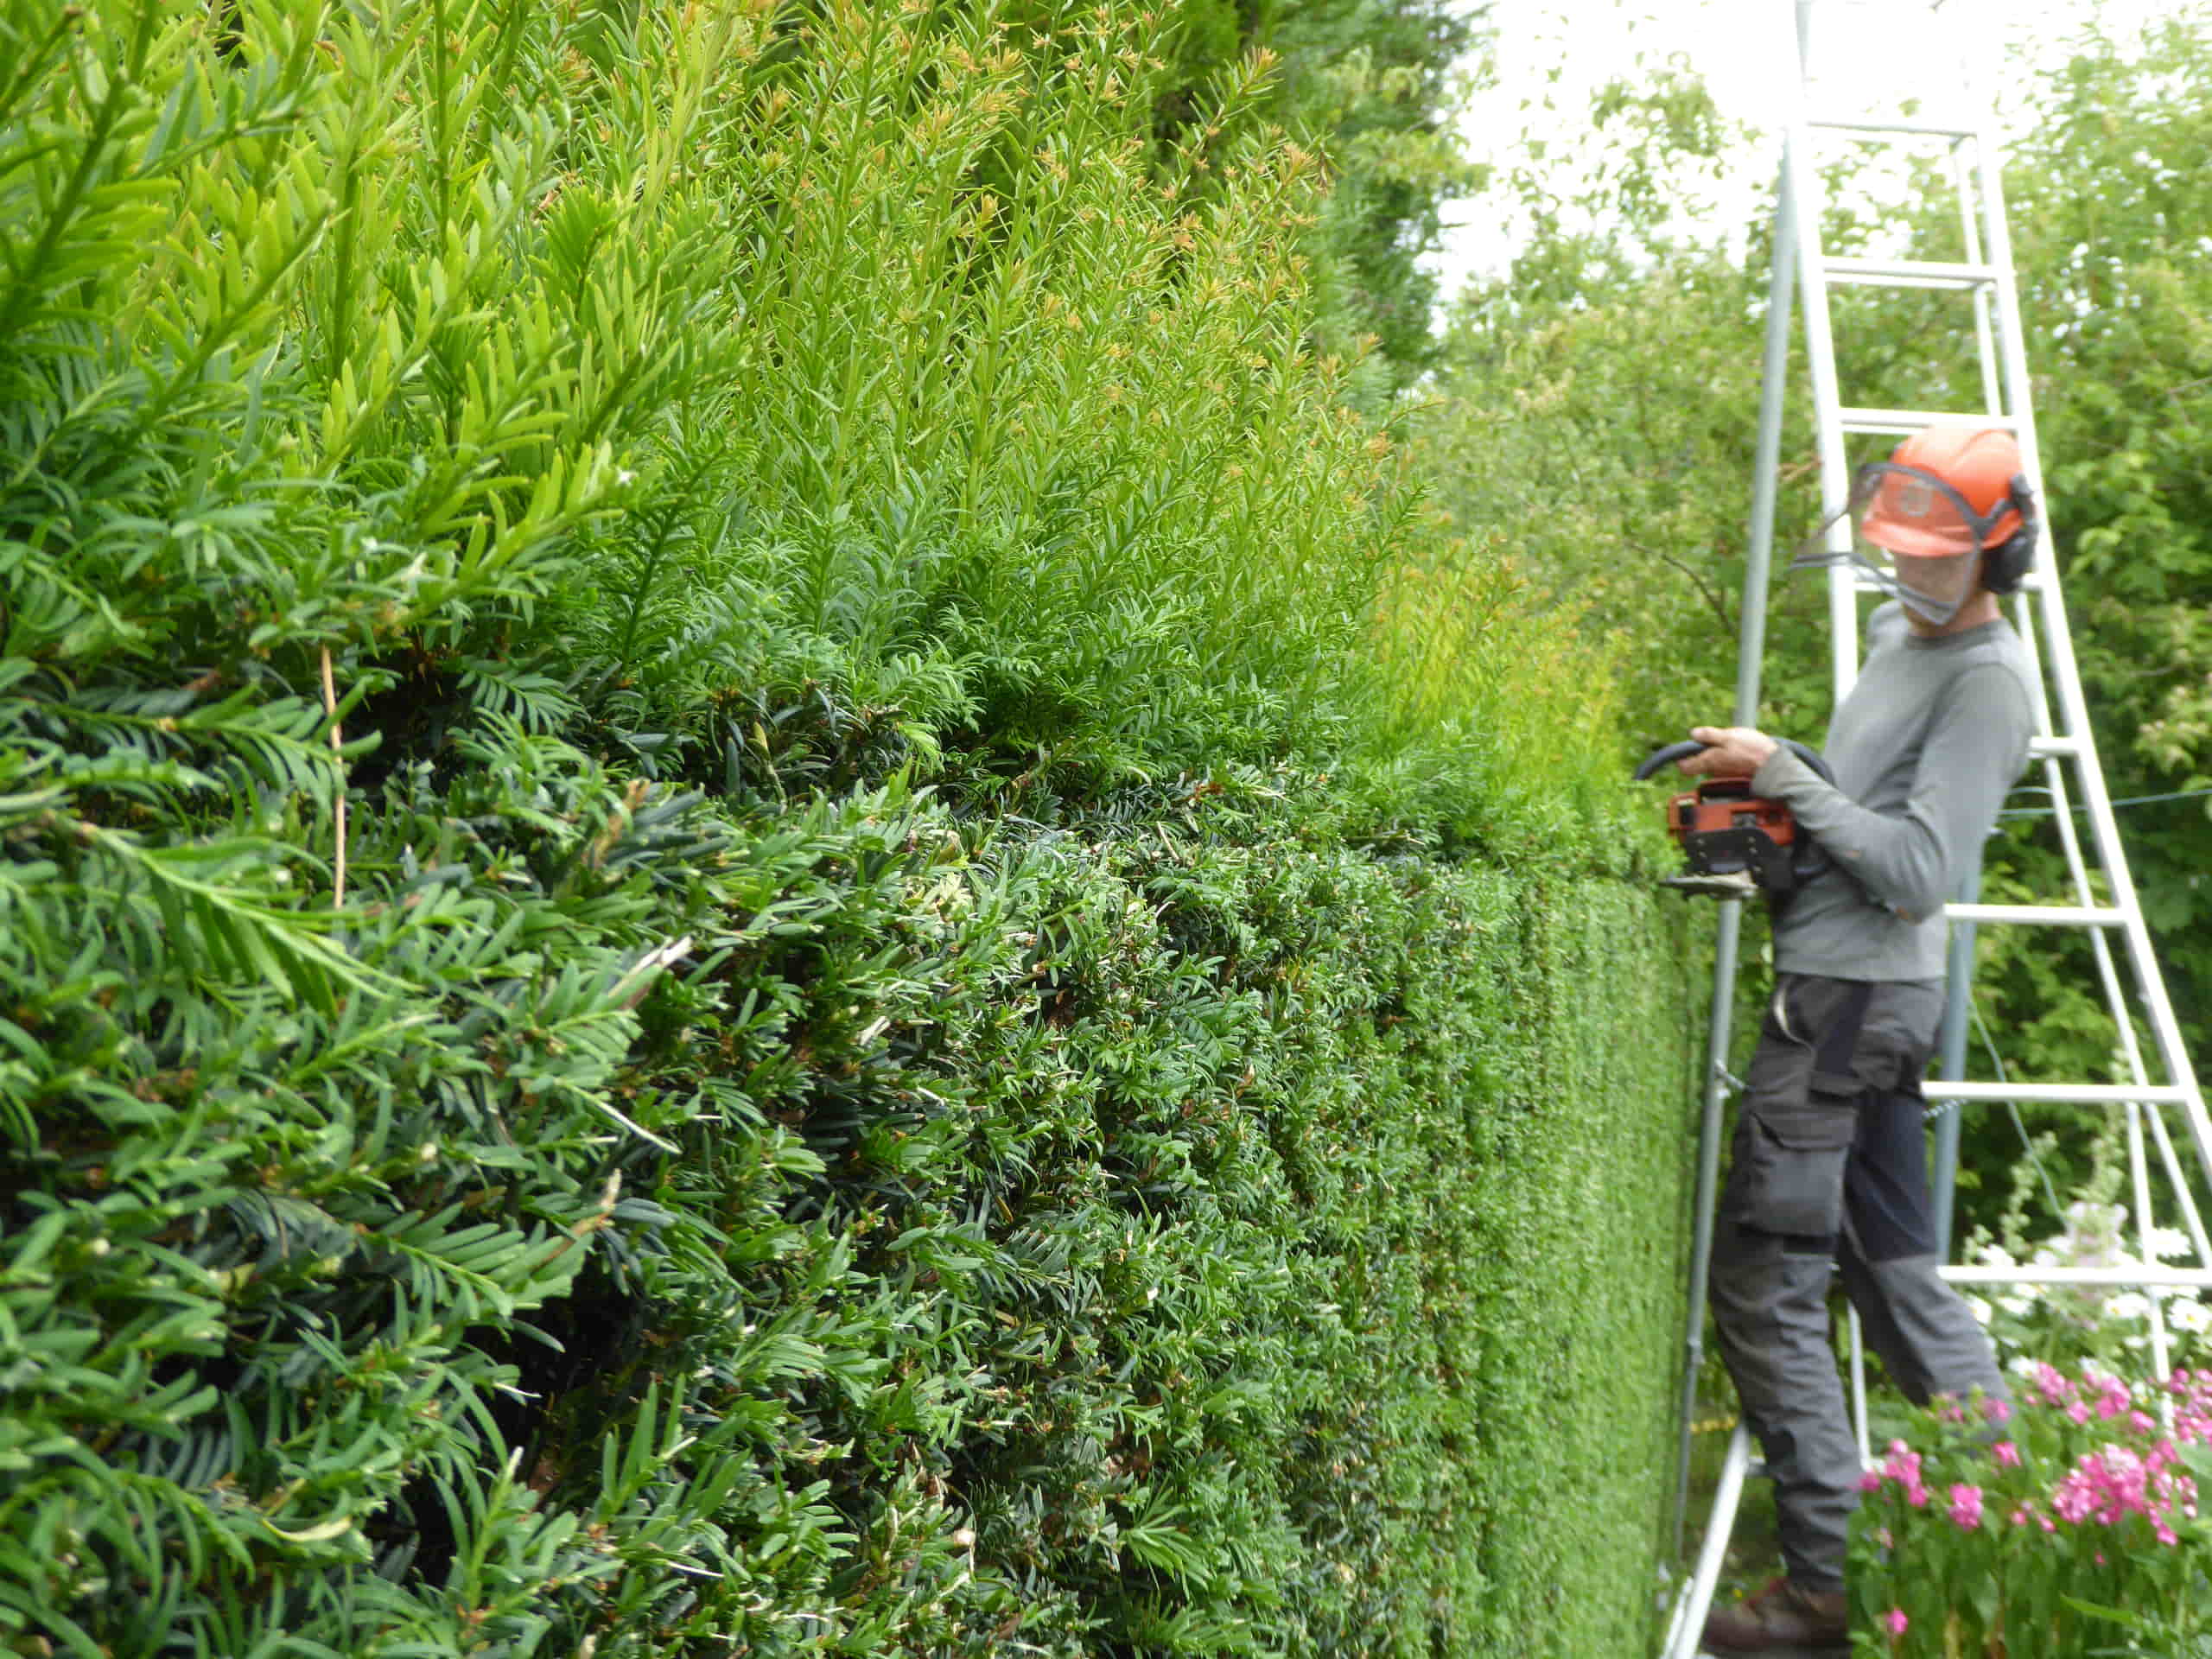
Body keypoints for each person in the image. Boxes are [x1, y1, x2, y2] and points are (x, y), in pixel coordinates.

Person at [1688, 425, 2043, 1652]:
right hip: (1853, 989)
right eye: (1896, 551)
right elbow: (1858, 826)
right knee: (1895, 1278)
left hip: (1850, 1006)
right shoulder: (1899, 642)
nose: (1907, 575)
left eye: (1936, 559)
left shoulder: (1990, 683)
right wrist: (1770, 827)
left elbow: (1917, 872)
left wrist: (1785, 774)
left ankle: (1825, 1593)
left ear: (2001, 553)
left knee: (1765, 1283)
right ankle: (2015, 1546)